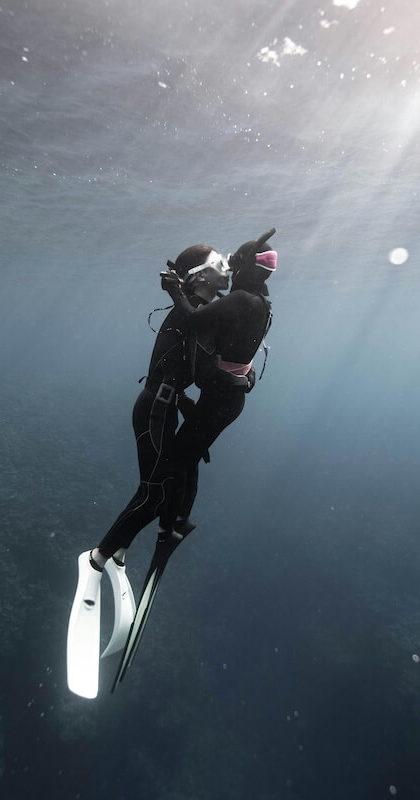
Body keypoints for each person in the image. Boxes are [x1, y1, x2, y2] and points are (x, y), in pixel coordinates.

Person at [66, 243, 231, 698]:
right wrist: (235, 377)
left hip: (166, 407)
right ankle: (96, 559)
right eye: (219, 264)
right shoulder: (191, 311)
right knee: (155, 492)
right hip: (156, 410)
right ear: (198, 276)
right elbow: (199, 366)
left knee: (167, 487)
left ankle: (120, 554)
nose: (227, 269)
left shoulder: (197, 308)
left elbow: (192, 366)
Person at [156, 227, 277, 537]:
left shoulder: (241, 298)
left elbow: (193, 318)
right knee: (190, 457)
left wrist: (174, 290)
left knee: (178, 459)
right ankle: (180, 522)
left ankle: (170, 525)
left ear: (246, 267)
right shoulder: (260, 301)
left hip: (220, 400)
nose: (231, 270)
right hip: (228, 398)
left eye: (235, 264)